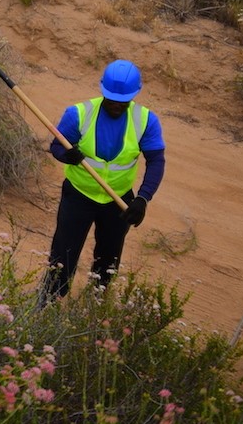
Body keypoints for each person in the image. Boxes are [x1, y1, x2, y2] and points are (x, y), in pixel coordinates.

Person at [38, 59, 165, 303]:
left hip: (118, 202)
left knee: (108, 261)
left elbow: (156, 162)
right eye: (111, 98)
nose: (116, 104)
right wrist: (67, 155)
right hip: (78, 196)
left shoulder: (146, 121)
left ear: (135, 94)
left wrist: (142, 198)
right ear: (102, 89)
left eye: (123, 100)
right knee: (63, 256)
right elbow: (56, 146)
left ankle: (93, 306)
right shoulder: (78, 114)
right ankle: (48, 302)